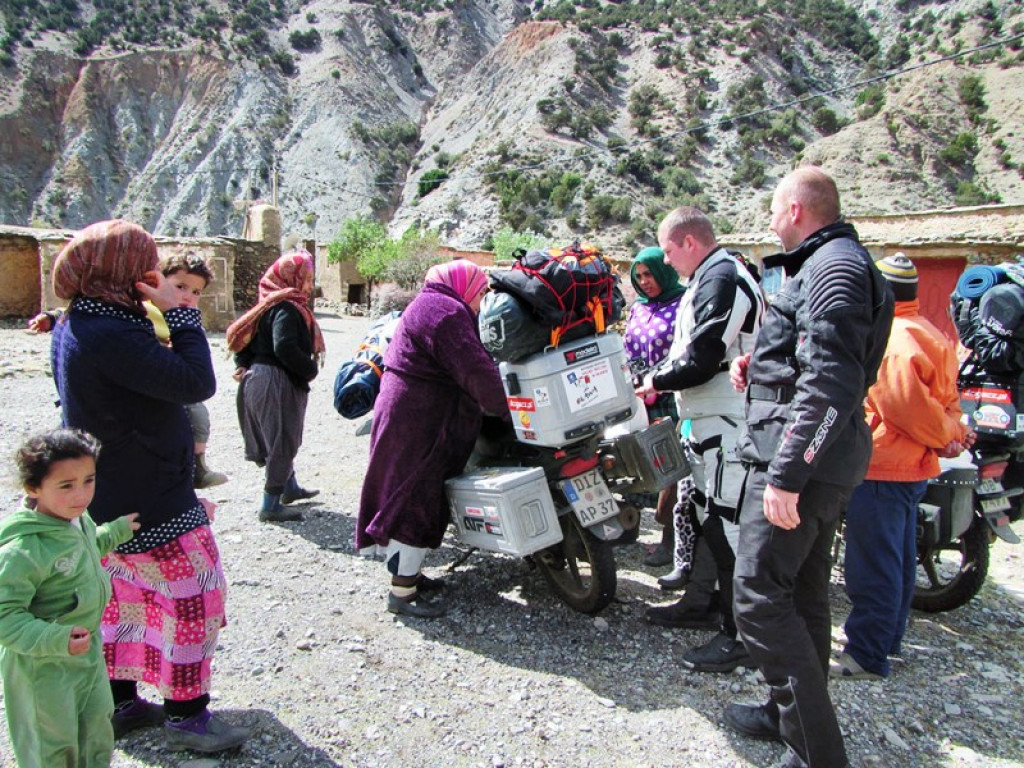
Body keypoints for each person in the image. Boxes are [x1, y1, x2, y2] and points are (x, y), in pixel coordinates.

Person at [50, 219, 248, 753]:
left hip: (112, 496)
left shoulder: (81, 321)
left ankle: (122, 703)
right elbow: (194, 381)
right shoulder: (110, 331)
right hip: (152, 500)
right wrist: (184, 314)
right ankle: (186, 717)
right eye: (143, 263)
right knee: (195, 599)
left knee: (123, 603)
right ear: (118, 269)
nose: (151, 273)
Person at [726, 167, 893, 768]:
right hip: (813, 457)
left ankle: (817, 753)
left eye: (773, 210)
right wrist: (759, 368)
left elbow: (833, 381)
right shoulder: (830, 264)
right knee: (800, 593)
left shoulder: (835, 268)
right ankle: (784, 714)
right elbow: (810, 361)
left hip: (800, 466)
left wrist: (788, 474)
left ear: (796, 209)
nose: (770, 221)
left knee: (757, 596)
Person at [834, 253, 974, 681]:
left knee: (872, 565)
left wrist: (944, 436)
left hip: (882, 465)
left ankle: (866, 653)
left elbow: (904, 407)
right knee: (897, 561)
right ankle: (887, 640)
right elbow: (944, 405)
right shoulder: (929, 333)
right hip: (911, 467)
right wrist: (950, 433)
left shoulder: (892, 340)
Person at [637, 207, 764, 674]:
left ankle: (741, 637)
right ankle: (706, 605)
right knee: (706, 519)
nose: (666, 262)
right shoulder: (709, 277)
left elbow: (705, 354)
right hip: (709, 423)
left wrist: (656, 379)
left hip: (729, 424)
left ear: (690, 242)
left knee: (730, 530)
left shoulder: (722, 277)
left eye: (668, 250)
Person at [356, 259, 509, 619]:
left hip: (412, 416)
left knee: (415, 493)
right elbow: (474, 369)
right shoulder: (446, 311)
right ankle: (402, 594)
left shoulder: (432, 303)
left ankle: (410, 576)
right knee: (415, 498)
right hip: (421, 422)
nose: (480, 300)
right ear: (464, 284)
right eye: (480, 291)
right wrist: (508, 407)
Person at [29, 252, 230, 490]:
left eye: (196, 292)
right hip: (131, 426)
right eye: (180, 287)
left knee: (198, 417)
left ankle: (197, 464)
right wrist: (50, 318)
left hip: (160, 384)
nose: (187, 297)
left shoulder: (171, 315)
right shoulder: (137, 310)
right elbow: (198, 381)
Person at [0, 428, 139, 767]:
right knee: (52, 743)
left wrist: (116, 530)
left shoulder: (76, 520)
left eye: (88, 480)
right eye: (66, 485)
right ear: (34, 488)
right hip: (42, 665)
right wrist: (54, 637)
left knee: (96, 727)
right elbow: (4, 615)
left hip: (86, 652)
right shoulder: (24, 550)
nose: (81, 494)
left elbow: (86, 549)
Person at [227, 249, 324, 523]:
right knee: (282, 439)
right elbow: (284, 346)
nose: (308, 283)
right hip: (275, 380)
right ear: (291, 278)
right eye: (305, 277)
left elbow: (244, 339)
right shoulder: (286, 308)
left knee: (279, 435)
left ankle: (290, 488)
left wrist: (243, 364)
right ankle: (270, 504)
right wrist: (310, 369)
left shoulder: (266, 306)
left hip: (258, 378)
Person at [623, 246, 686, 569]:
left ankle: (670, 541)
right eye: (639, 276)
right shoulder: (638, 308)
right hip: (639, 398)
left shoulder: (684, 303)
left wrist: (657, 380)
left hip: (670, 397)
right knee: (639, 463)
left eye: (649, 274)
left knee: (671, 469)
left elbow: (684, 351)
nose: (644, 281)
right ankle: (629, 526)